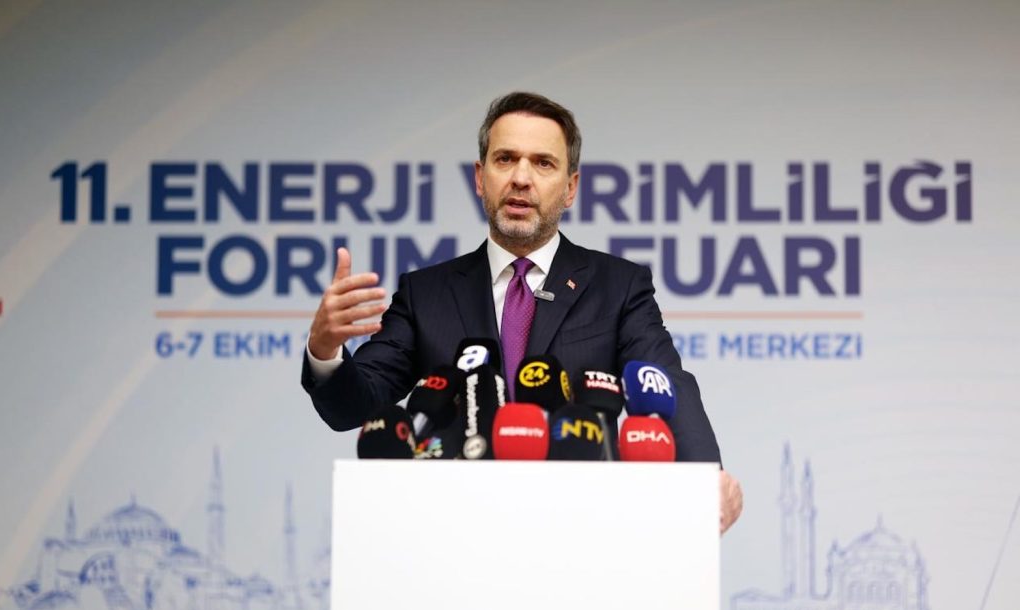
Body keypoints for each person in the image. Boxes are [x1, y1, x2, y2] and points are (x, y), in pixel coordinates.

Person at [302, 92, 743, 533]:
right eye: (506, 159)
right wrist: (325, 349)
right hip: (451, 530)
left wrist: (706, 478)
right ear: (480, 178)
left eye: (543, 163)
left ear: (570, 188)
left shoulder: (617, 287)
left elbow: (664, 382)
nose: (521, 178)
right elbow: (352, 408)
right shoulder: (426, 293)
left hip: (579, 530)